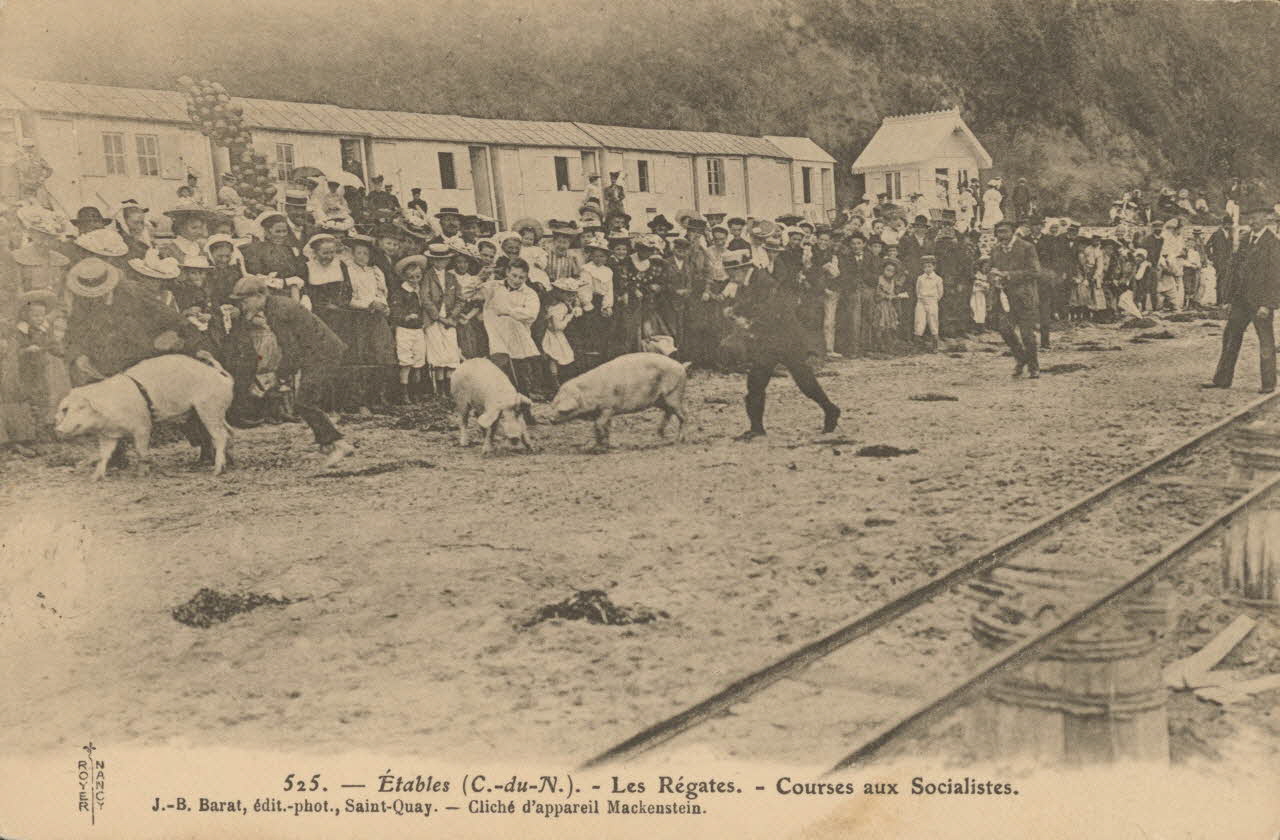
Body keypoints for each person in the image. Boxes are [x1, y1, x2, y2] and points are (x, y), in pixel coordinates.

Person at [227, 275, 354, 467]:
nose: (243, 306)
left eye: (245, 301)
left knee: (304, 403)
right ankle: (326, 444)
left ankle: (338, 444)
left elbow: (292, 352)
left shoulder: (277, 312)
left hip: (322, 354)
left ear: (260, 296)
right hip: (319, 352)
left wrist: (278, 376)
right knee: (305, 401)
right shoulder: (276, 305)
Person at [727, 239, 841, 441]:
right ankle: (757, 428)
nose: (729, 276)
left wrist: (749, 324)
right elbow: (750, 302)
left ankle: (830, 409)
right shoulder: (750, 281)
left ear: (742, 268)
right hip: (771, 339)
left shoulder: (764, 281)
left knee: (804, 381)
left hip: (786, 339)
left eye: (731, 272)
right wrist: (736, 310)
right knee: (756, 382)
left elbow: (773, 310)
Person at [1205, 202, 1280, 394]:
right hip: (1240, 301)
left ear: (1267, 218)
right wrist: (1227, 299)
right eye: (1250, 218)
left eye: (1256, 218)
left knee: (1266, 341)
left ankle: (1268, 384)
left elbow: (1275, 277)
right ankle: (1222, 379)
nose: (1252, 222)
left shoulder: (1274, 243)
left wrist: (1268, 305)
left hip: (1260, 302)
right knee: (1230, 338)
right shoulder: (1245, 240)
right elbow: (1233, 270)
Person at [343, 233, 396, 410]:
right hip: (358, 317)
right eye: (359, 253)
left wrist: (381, 304)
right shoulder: (348, 271)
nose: (362, 257)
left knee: (381, 355)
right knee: (361, 356)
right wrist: (367, 305)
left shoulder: (375, 271)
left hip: (376, 317)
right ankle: (359, 401)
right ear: (352, 254)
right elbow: (348, 298)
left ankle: (377, 396)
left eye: (366, 253)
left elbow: (382, 293)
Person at [989, 219, 1042, 378]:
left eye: (1004, 231)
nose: (1001, 235)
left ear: (1013, 232)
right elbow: (991, 268)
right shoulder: (995, 249)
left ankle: (1033, 366)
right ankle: (1021, 358)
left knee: (1027, 334)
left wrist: (1009, 275)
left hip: (1024, 297)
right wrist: (993, 277)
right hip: (1004, 298)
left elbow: (1035, 271)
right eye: (999, 232)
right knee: (1005, 330)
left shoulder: (1027, 247)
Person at [482, 257, 542, 397]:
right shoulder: (494, 286)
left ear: (526, 277)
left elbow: (531, 314)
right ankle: (500, 397)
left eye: (521, 277)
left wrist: (509, 312)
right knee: (499, 365)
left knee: (519, 370)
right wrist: (479, 278)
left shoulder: (530, 293)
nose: (517, 280)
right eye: (514, 275)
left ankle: (522, 397)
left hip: (517, 336)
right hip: (495, 333)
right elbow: (467, 293)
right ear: (507, 272)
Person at [422, 243, 462, 397]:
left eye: (444, 259)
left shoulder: (452, 277)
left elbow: (460, 299)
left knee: (451, 352)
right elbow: (425, 299)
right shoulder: (427, 276)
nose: (440, 263)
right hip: (434, 320)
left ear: (448, 260)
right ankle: (439, 390)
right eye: (437, 260)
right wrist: (438, 317)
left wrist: (452, 317)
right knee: (437, 352)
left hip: (449, 320)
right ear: (432, 260)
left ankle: (449, 387)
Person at [390, 254, 429, 402]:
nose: (414, 280)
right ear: (405, 277)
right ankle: (404, 393)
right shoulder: (400, 292)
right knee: (405, 360)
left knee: (419, 360)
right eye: (411, 277)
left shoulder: (421, 290)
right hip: (405, 329)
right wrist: (406, 316)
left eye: (418, 277)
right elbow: (395, 310)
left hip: (418, 329)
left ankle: (416, 391)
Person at [542, 277, 582, 387]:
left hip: (553, 334)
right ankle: (555, 382)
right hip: (554, 335)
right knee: (555, 357)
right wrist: (570, 316)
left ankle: (556, 381)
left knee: (556, 357)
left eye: (573, 295)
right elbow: (558, 327)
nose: (572, 298)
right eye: (569, 295)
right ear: (560, 293)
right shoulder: (560, 307)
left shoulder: (559, 304)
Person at [914, 254, 943, 351]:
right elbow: (917, 290)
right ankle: (917, 345)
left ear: (934, 267)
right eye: (925, 267)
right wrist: (922, 298)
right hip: (921, 302)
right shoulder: (920, 278)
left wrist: (933, 300)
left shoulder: (938, 279)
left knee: (933, 321)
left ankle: (935, 345)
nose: (927, 269)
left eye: (930, 266)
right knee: (919, 321)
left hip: (932, 302)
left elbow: (940, 293)